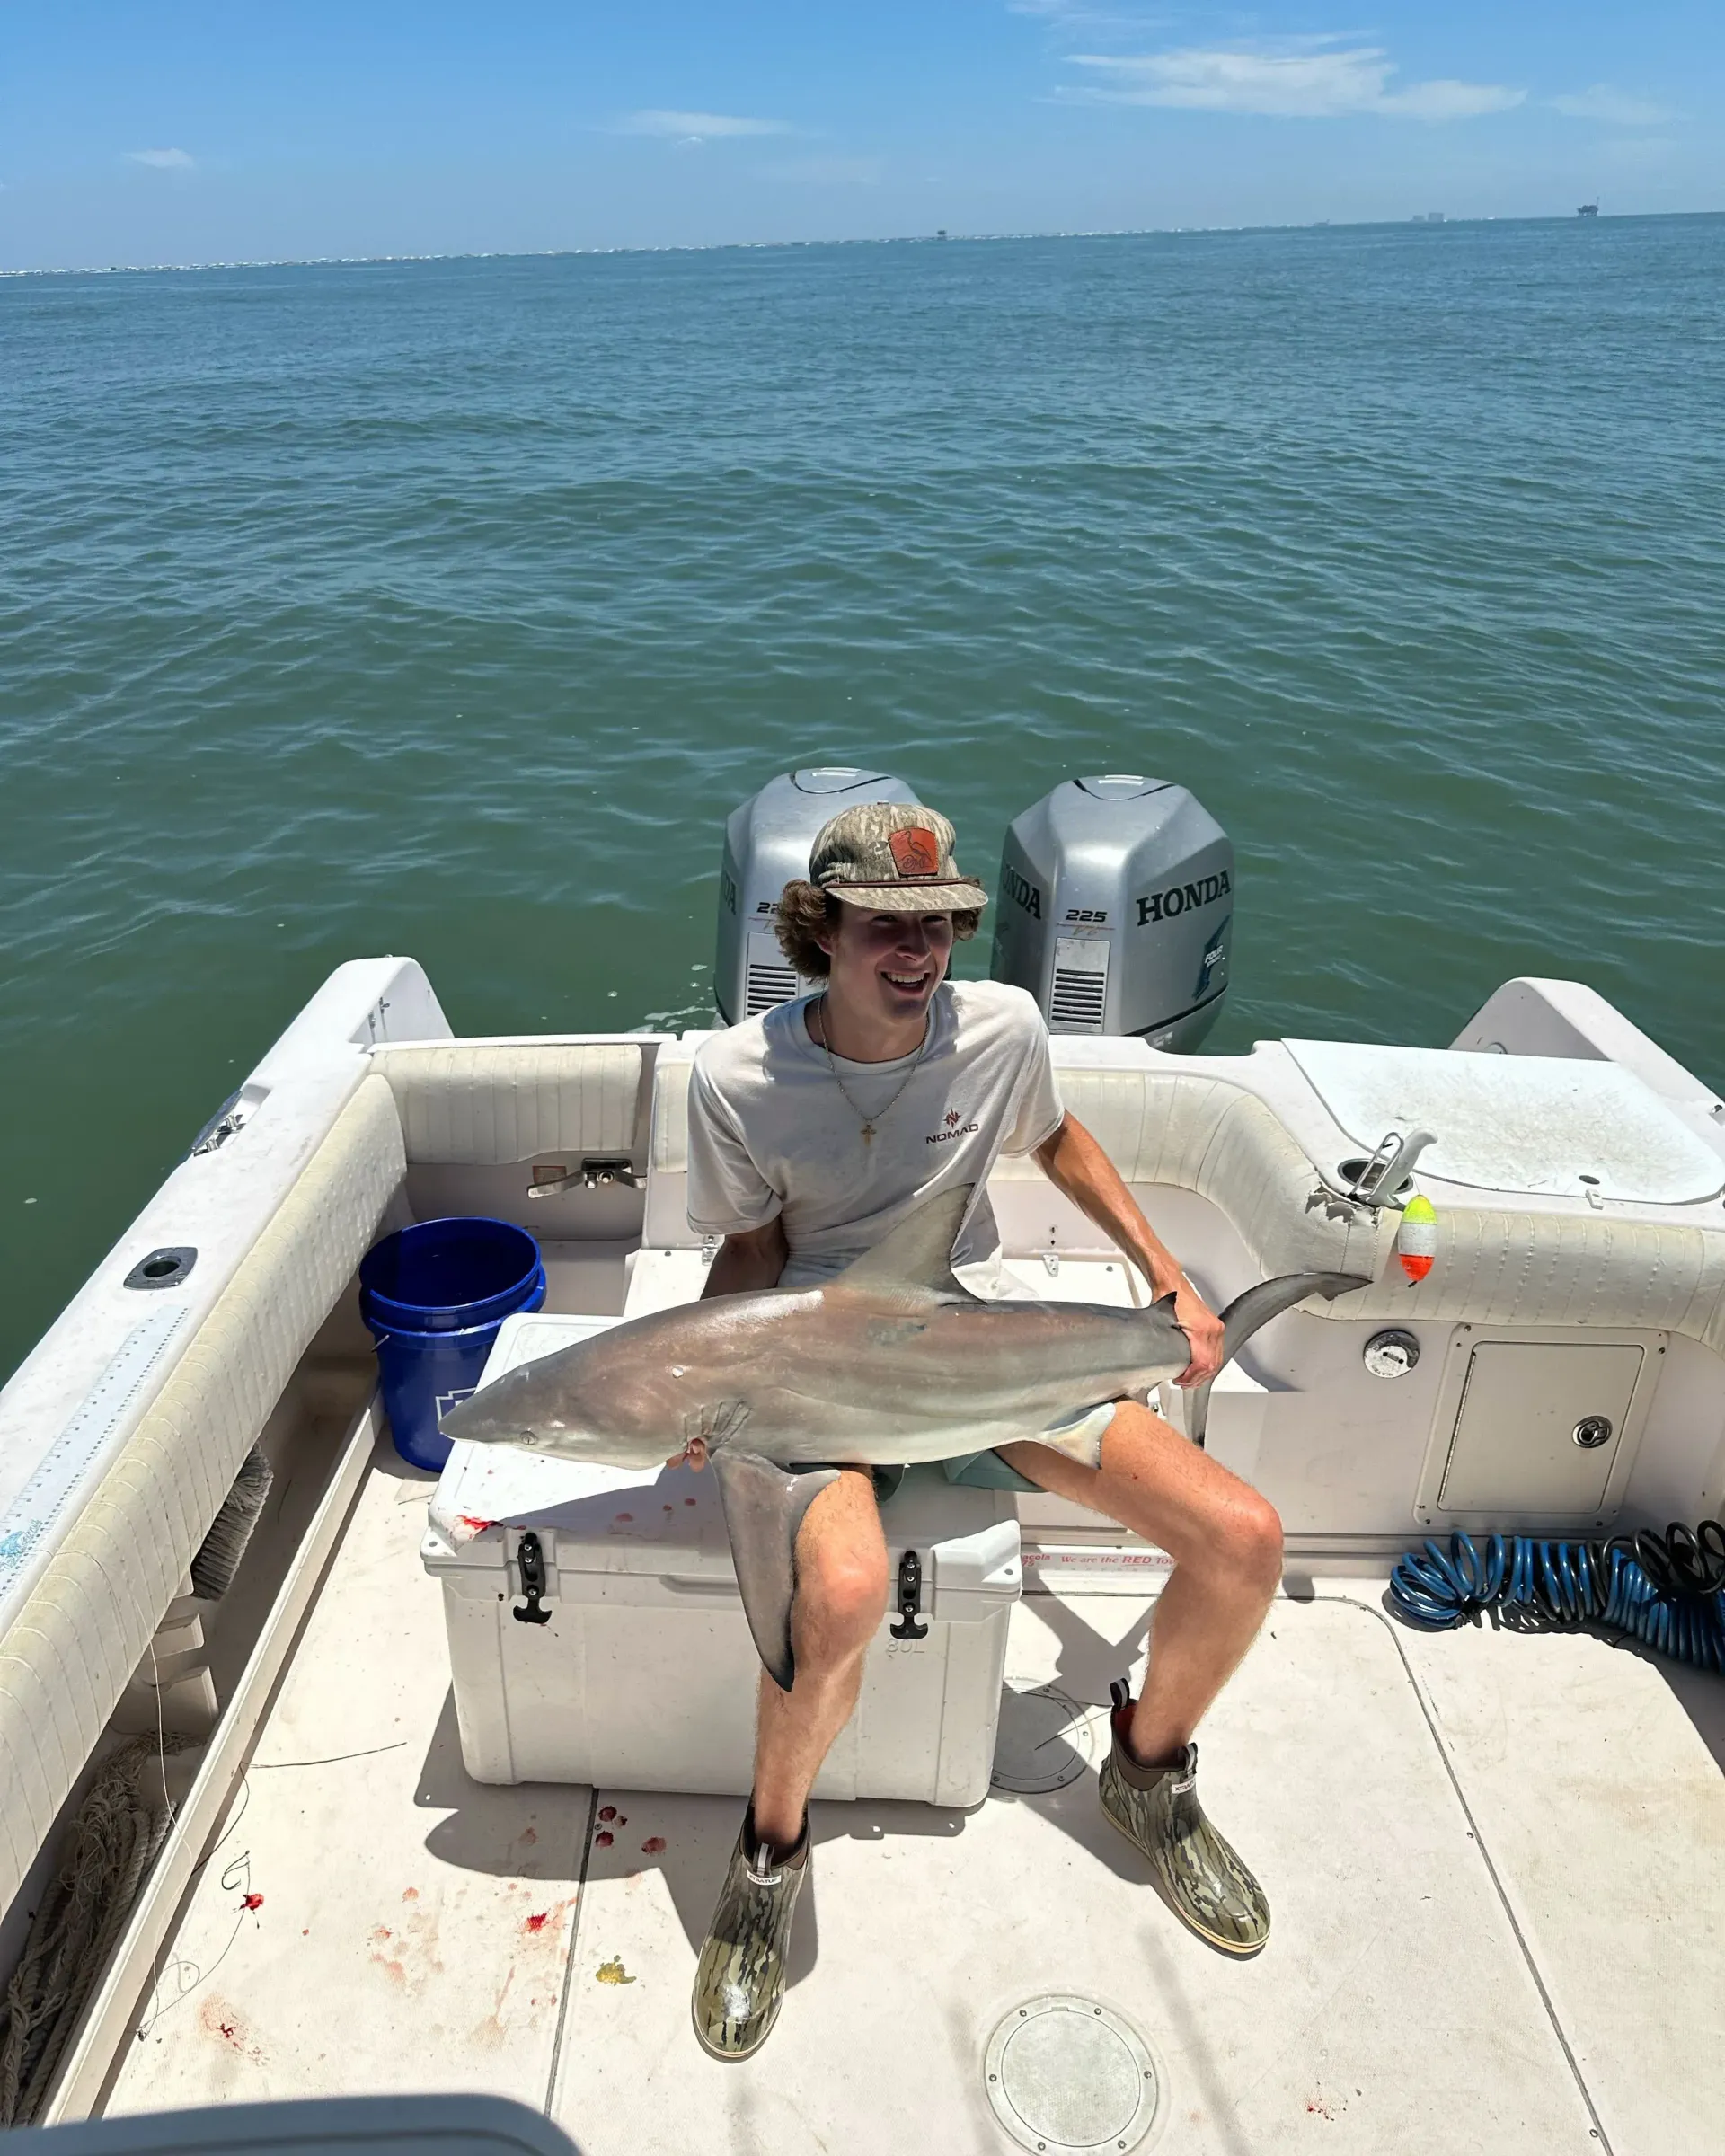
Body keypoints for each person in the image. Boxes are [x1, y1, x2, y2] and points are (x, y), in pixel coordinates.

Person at [679, 802, 1282, 2060]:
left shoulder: (1002, 1027)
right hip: (822, 1364)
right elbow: (750, 1250)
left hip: (967, 1339)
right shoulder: (736, 1078)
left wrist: (1165, 1274)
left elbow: (1058, 1140)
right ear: (819, 929)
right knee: (839, 1593)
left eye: (943, 923)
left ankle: (1148, 1772)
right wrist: (703, 1386)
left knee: (1244, 1538)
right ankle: (767, 1856)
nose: (922, 950)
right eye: (886, 927)